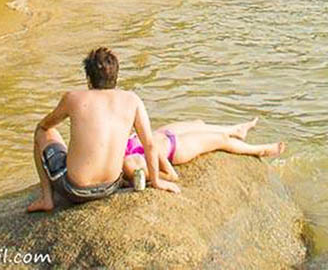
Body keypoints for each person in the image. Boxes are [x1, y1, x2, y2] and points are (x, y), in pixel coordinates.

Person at [27, 48, 179, 211]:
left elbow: (45, 124)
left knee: (42, 132)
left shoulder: (72, 98)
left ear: (88, 79)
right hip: (110, 187)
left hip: (76, 190)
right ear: (116, 76)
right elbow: (149, 145)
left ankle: (47, 199)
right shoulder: (132, 100)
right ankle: (150, 178)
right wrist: (156, 181)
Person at [121, 117, 285, 186]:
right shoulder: (129, 165)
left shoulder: (118, 151)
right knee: (221, 140)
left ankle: (236, 129)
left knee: (199, 123)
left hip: (162, 135)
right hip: (175, 148)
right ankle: (259, 150)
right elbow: (171, 175)